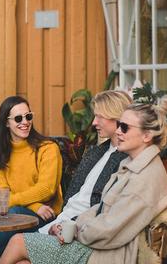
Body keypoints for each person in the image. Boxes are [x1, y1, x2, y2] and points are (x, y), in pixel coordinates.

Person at [0, 102, 167, 264]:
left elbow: (110, 229)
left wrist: (75, 232)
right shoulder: (132, 165)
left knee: (19, 241)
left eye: (124, 127)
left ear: (146, 135)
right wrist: (69, 226)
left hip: (107, 254)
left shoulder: (144, 179)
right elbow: (101, 208)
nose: (117, 131)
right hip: (98, 244)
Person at [38, 90, 131, 234]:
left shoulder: (125, 160)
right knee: (18, 250)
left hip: (79, 231)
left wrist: (70, 225)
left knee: (16, 242)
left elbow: (104, 211)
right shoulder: (96, 152)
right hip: (62, 223)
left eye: (100, 116)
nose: (94, 122)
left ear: (117, 117)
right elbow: (73, 199)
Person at [0, 96, 63, 264]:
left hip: (47, 215)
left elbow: (46, 189)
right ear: (6, 123)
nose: (25, 122)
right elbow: (1, 196)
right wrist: (34, 205)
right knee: (11, 216)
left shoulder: (48, 148)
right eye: (18, 118)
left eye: (28, 116)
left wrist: (13, 202)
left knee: (12, 215)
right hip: (32, 210)